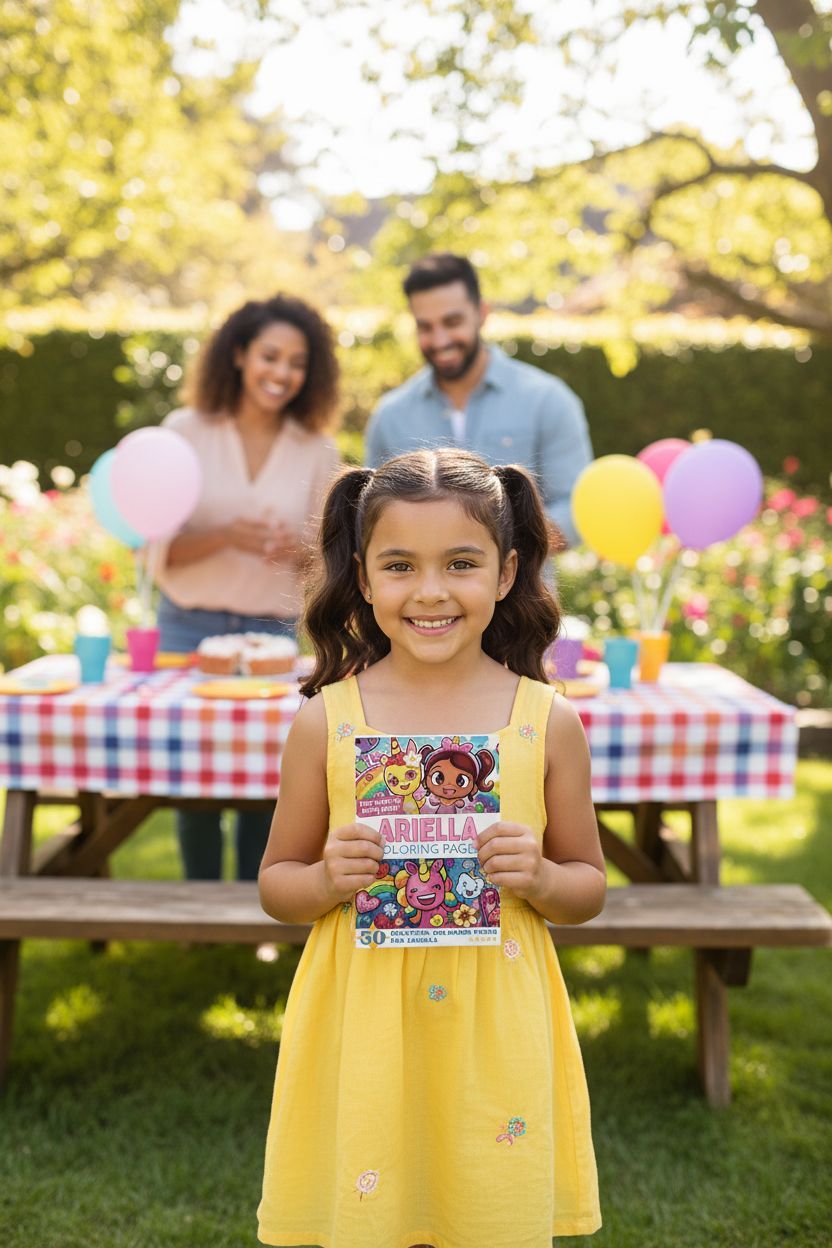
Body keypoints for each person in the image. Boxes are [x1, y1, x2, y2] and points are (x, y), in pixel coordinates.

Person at [257, 448, 605, 1246]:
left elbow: (588, 886)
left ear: (506, 572)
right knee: (375, 1206)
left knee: (486, 1209)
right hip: (366, 1021)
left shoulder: (546, 721)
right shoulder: (327, 721)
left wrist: (543, 876)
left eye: (461, 563)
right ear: (363, 577)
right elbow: (278, 882)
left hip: (496, 1024)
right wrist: (325, 879)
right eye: (400, 566)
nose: (431, 591)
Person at [154, 294, 341, 881]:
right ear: (238, 354)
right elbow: (156, 548)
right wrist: (225, 536)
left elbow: (330, 563)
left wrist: (296, 552)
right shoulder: (183, 433)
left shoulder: (318, 449)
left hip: (271, 633)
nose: (282, 373)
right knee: (193, 786)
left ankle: (256, 904)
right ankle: (199, 905)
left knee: (267, 782)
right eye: (270, 356)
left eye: (297, 363)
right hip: (189, 626)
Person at [364, 252, 593, 546]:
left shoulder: (548, 400)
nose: (440, 340)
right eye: (425, 327)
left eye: (452, 322)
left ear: (482, 313)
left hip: (523, 578)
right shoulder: (389, 416)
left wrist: (497, 545)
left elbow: (576, 509)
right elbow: (370, 518)